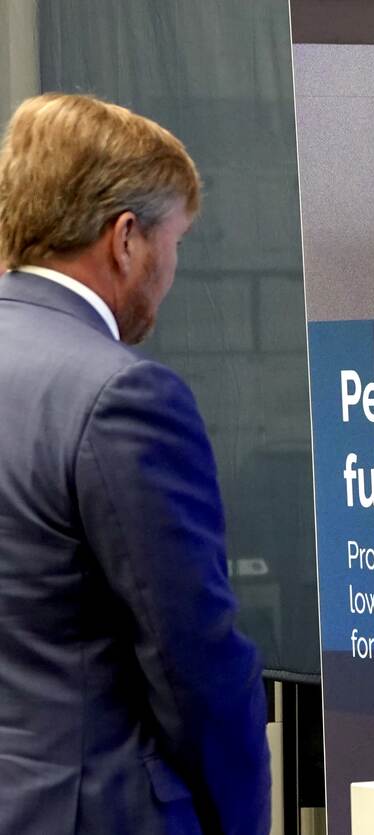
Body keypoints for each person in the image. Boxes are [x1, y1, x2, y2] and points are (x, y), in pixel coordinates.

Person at [0, 93, 269, 834]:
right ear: (125, 239)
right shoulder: (124, 396)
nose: (172, 270)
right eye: (175, 241)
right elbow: (194, 664)